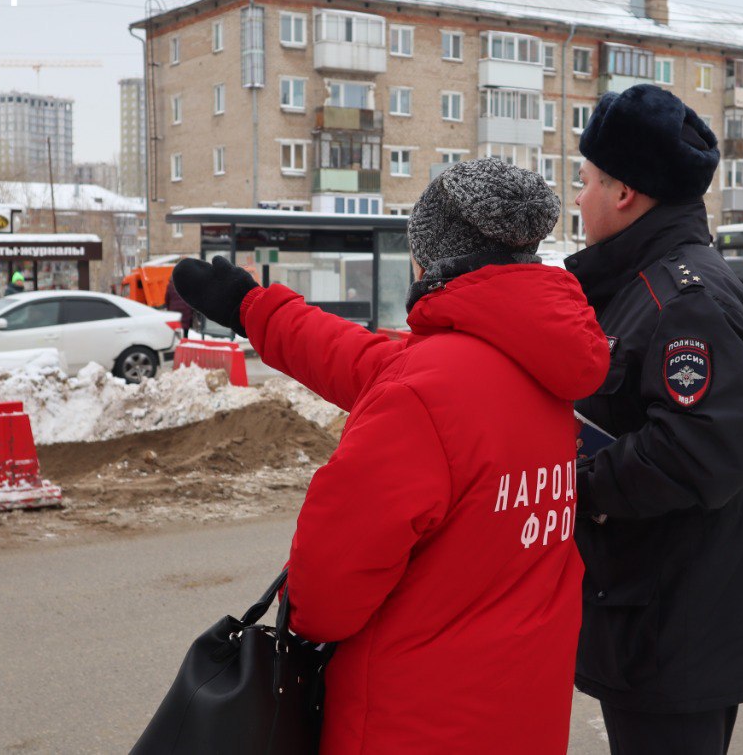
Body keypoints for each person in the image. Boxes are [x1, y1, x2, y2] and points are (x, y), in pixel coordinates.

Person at [171, 158, 611, 755]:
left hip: (412, 720)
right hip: (522, 711)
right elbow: (364, 360)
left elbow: (327, 592)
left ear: (431, 256)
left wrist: (300, 617)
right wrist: (255, 308)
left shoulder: (422, 391)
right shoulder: (538, 364)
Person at [564, 84, 743, 755]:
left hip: (673, 634)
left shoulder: (686, 299)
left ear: (624, 192)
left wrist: (579, 481)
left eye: (586, 180)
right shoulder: (643, 286)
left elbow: (695, 454)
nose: (577, 197)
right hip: (654, 622)